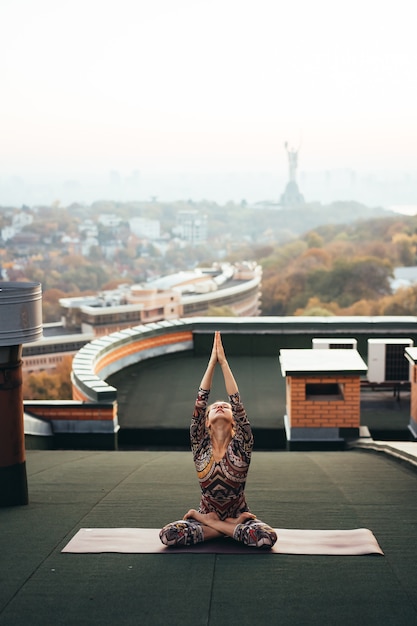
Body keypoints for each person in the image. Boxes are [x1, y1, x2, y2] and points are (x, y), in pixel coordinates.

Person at [159, 331, 277, 549]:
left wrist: (224, 362)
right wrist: (212, 363)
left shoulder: (243, 444)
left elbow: (237, 402)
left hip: (238, 515)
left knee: (266, 537)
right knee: (168, 535)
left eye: (226, 407)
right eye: (214, 408)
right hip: (217, 517)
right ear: (206, 423)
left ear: (234, 421)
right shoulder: (199, 445)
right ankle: (227, 528)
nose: (220, 406)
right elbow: (200, 402)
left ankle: (212, 526)